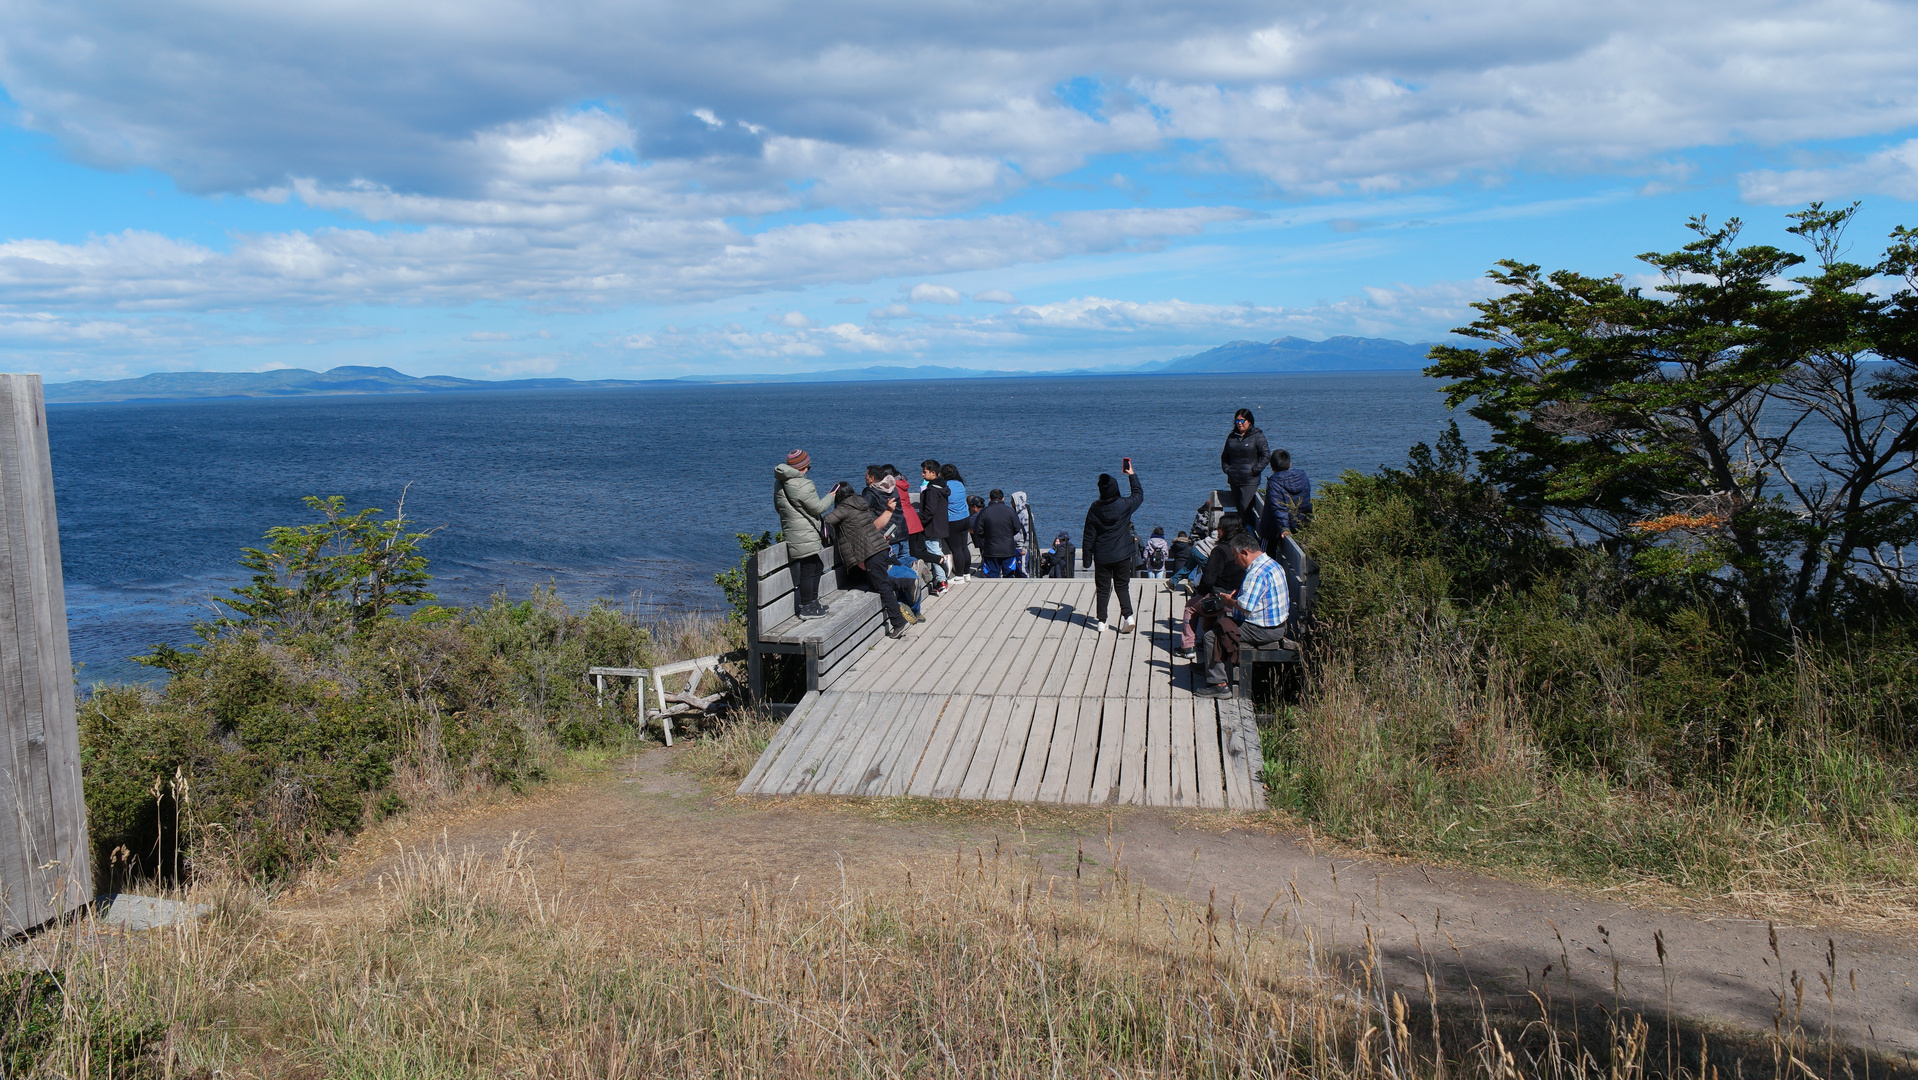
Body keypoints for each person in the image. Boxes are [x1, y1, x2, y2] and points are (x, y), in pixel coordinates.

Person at [1197, 533, 1293, 697]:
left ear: (1245, 553)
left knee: (1212, 636)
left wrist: (1229, 601)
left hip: (1264, 630)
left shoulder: (1255, 573)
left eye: (1235, 556)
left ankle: (1218, 684)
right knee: (1223, 623)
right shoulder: (1272, 564)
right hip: (1277, 625)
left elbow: (1245, 607)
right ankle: (1210, 664)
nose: (1235, 561)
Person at [823, 482, 910, 639]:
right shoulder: (859, 503)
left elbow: (827, 520)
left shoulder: (844, 507)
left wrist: (826, 538)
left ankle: (898, 623)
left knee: (882, 586)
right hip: (880, 547)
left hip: (870, 553)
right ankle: (905, 583)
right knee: (875, 582)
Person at [1081, 460, 1145, 633]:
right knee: (1122, 586)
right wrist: (1132, 475)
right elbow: (1138, 495)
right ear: (1115, 488)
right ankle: (1128, 616)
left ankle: (1102, 621)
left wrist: (1087, 560)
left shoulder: (1095, 508)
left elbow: (1089, 535)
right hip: (1122, 554)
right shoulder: (1123, 505)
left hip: (1102, 555)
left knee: (1102, 588)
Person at [773, 448, 835, 619]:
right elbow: (819, 507)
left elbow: (778, 507)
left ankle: (813, 602)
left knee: (816, 565)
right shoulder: (803, 484)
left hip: (793, 529)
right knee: (809, 567)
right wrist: (831, 495)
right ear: (803, 467)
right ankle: (807, 606)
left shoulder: (780, 483)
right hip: (805, 531)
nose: (808, 470)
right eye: (808, 466)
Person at [1220, 408, 1270, 523]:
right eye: (1237, 421)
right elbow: (1224, 456)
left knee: (1246, 509)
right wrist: (1228, 469)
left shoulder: (1257, 436)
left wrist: (1255, 470)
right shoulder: (1232, 437)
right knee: (1239, 509)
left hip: (1250, 481)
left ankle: (1248, 535)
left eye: (1242, 421)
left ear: (1249, 421)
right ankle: (1241, 535)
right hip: (1234, 479)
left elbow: (1266, 456)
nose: (1240, 424)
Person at [1261, 448, 1313, 551]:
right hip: (1300, 523)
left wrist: (1285, 529)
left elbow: (1278, 508)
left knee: (1266, 553)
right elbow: (1306, 501)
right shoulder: (1302, 476)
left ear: (1272, 467)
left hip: (1273, 529)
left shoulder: (1274, 482)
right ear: (1290, 464)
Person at [918, 460, 952, 591]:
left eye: (924, 472)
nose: (922, 474)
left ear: (933, 473)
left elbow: (929, 510)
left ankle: (942, 581)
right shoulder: (943, 487)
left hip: (932, 526)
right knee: (937, 548)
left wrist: (920, 521)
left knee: (934, 552)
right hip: (941, 524)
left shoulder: (932, 490)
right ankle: (942, 579)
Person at [974, 489, 1020, 577]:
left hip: (990, 550)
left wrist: (987, 536)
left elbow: (978, 530)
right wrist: (1009, 535)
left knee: (991, 577)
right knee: (1009, 576)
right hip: (1008, 550)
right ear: (1003, 498)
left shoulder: (984, 512)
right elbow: (1017, 528)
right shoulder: (1010, 511)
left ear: (990, 499)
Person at [941, 463, 972, 581]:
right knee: (964, 546)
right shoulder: (960, 484)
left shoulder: (945, 485)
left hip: (953, 519)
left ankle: (959, 576)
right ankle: (966, 573)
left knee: (956, 549)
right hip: (965, 517)